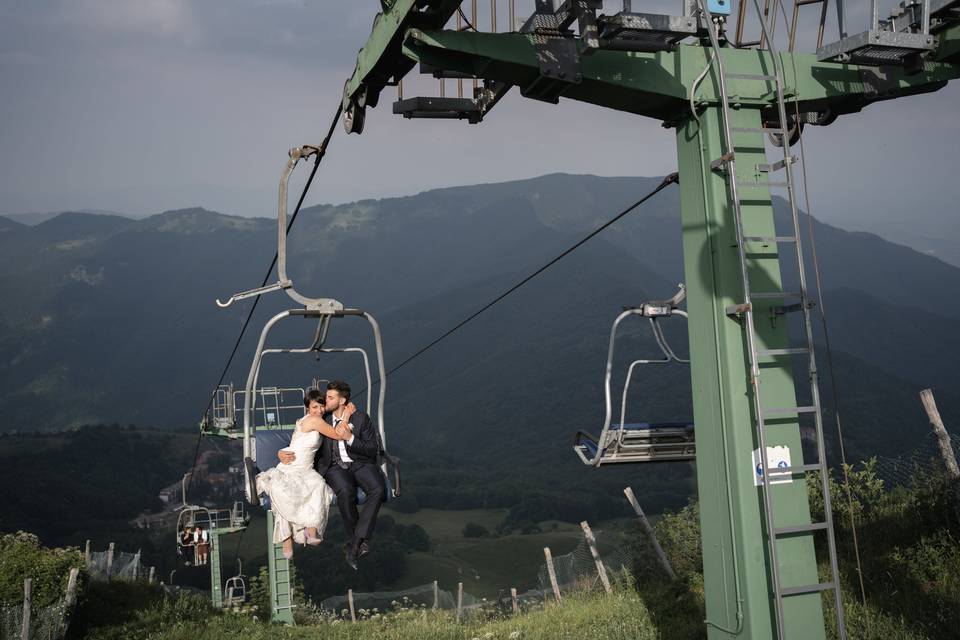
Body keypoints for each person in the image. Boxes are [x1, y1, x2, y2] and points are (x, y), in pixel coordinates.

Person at [257, 388, 353, 559]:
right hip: (292, 468)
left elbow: (295, 442)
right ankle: (287, 538)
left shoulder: (308, 421)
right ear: (308, 408)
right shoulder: (314, 421)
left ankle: (310, 531)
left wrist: (281, 451)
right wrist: (346, 415)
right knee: (286, 490)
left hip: (305, 469)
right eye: (315, 407)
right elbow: (339, 435)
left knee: (318, 486)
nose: (319, 411)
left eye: (322, 407)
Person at [312, 380, 387, 570]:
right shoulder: (323, 419)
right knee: (345, 491)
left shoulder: (361, 418)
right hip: (335, 466)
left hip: (360, 463)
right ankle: (357, 543)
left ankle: (354, 544)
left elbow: (371, 449)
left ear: (343, 400)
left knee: (378, 489)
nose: (326, 400)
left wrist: (350, 438)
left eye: (330, 397)